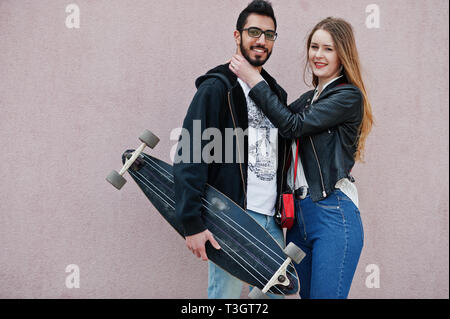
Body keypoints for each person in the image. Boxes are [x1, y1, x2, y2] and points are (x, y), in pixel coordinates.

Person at [229, 17, 374, 299]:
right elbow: (276, 127)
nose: (318, 55)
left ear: (343, 55)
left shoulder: (348, 97)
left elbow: (291, 126)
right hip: (296, 219)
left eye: (328, 49)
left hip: (333, 212)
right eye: (314, 47)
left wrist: (254, 79)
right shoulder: (309, 99)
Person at [173, 0, 289, 299]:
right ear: (237, 36)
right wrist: (192, 223)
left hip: (271, 221)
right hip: (232, 219)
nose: (261, 40)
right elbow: (190, 152)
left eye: (269, 34)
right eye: (253, 32)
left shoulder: (275, 94)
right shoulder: (217, 88)